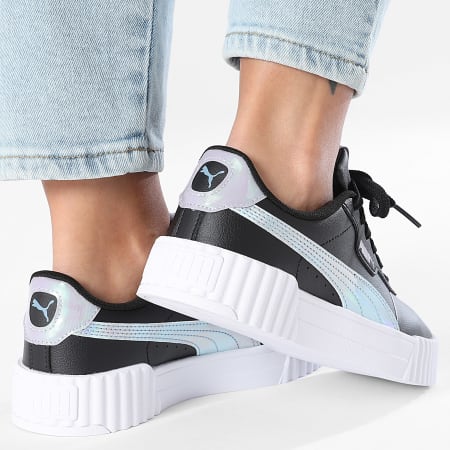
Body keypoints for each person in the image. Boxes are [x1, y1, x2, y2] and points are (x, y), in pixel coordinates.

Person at [1, 0, 436, 436]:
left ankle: (103, 277)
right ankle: (285, 181)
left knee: (104, 236)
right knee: (284, 160)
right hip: (277, 227)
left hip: (82, 336)